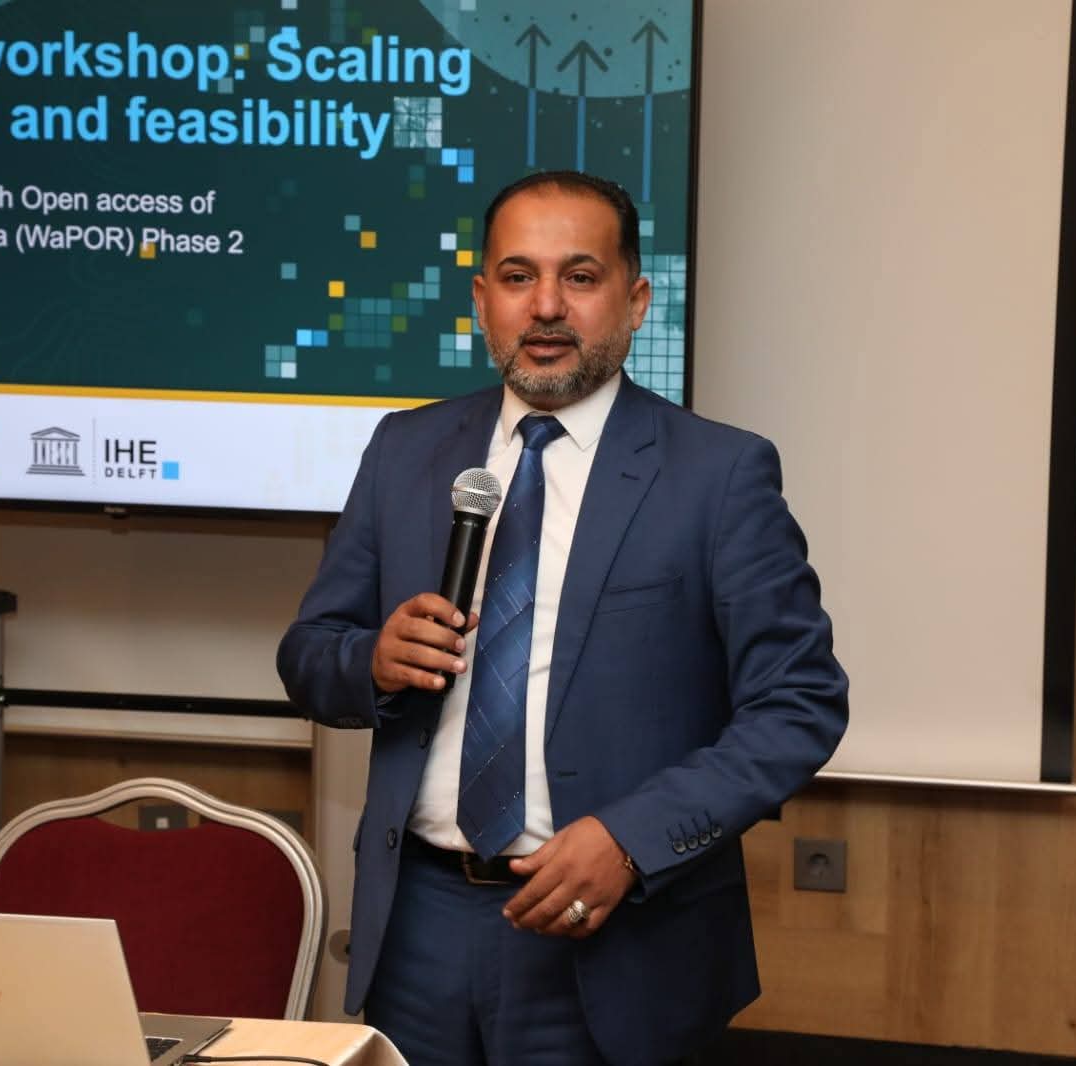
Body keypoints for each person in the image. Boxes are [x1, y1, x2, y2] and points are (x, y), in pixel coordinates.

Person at [277, 170, 848, 1065]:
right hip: (419, 927)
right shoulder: (405, 449)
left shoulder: (718, 475)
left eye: (579, 276)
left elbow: (799, 704)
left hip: (622, 938)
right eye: (518, 277)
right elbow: (310, 653)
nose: (545, 306)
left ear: (636, 300)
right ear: (481, 300)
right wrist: (372, 661)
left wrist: (633, 841)